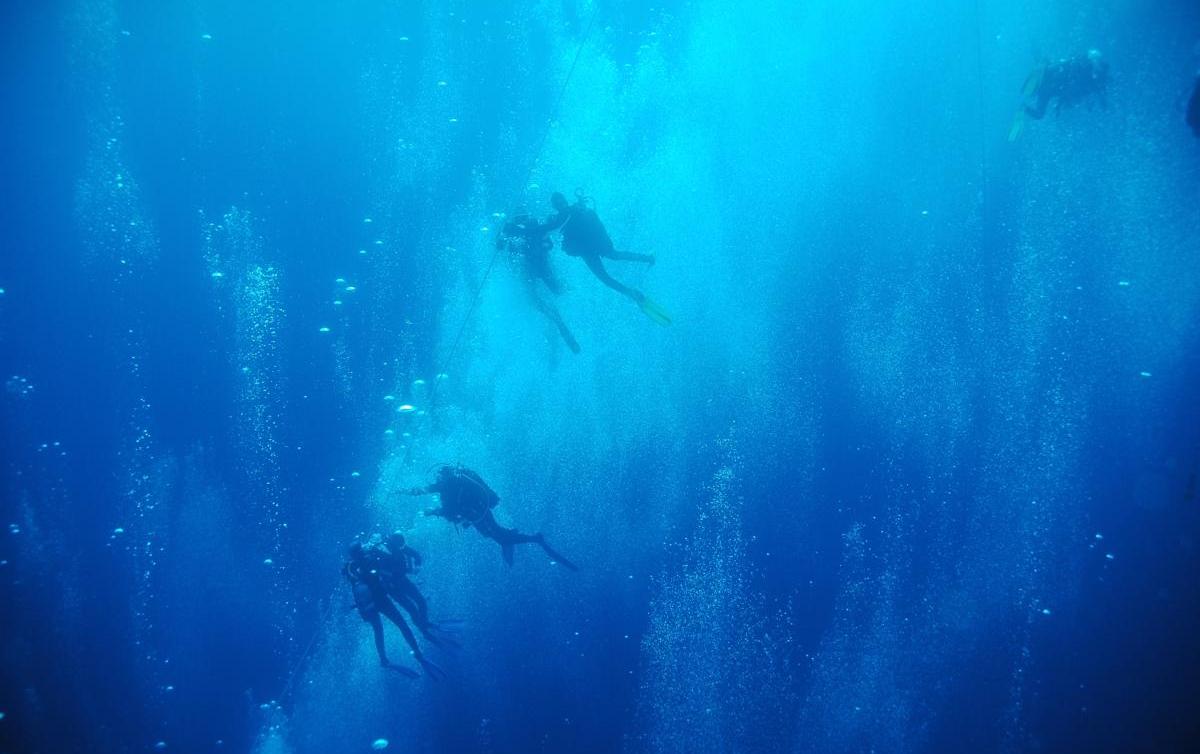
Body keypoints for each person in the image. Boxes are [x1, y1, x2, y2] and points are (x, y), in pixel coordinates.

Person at [407, 465, 579, 570]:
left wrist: (432, 510)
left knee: (498, 536)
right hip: (478, 511)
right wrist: (416, 494)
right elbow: (437, 494)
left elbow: (448, 507)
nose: (439, 480)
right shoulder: (455, 482)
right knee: (495, 534)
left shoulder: (450, 484)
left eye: (440, 478)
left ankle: (534, 538)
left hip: (476, 513)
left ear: (443, 476)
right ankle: (512, 537)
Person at [540, 192, 671, 325]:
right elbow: (597, 224)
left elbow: (547, 229)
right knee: (616, 256)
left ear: (554, 205)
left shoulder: (560, 218)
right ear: (564, 201)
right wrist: (606, 243)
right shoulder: (578, 208)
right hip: (598, 245)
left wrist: (532, 228)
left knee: (606, 278)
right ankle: (648, 259)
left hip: (587, 252)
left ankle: (631, 293)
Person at [343, 538, 445, 678]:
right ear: (358, 552)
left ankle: (386, 659)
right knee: (399, 625)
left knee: (382, 629)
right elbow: (379, 571)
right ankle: (415, 654)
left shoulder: (353, 566)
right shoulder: (361, 563)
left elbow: (373, 573)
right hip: (379, 601)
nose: (363, 552)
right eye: (360, 551)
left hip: (373, 603)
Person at [495, 213, 581, 353]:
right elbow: (549, 244)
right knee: (555, 291)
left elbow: (502, 246)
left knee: (536, 299)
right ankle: (560, 320)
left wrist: (502, 239)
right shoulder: (535, 227)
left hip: (530, 268)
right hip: (540, 265)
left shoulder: (514, 230)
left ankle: (558, 321)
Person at [1021, 49, 1110, 121]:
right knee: (1039, 114)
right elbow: (1068, 92)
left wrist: (1059, 105)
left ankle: (1024, 107)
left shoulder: (1082, 76)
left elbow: (1068, 92)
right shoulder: (1045, 91)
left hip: (1054, 77)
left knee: (1039, 114)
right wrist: (1059, 105)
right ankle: (1024, 108)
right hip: (1054, 81)